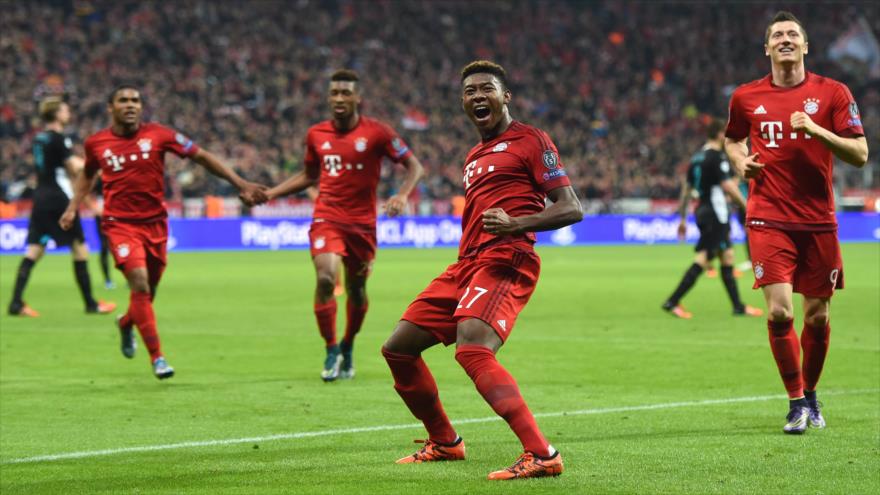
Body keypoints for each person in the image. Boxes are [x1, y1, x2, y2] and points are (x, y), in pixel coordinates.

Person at [381, 60, 583, 480]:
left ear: (504, 96)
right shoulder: (473, 156)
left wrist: (516, 223)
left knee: (472, 348)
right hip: (466, 265)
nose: (477, 96)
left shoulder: (531, 140)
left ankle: (542, 454)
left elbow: (570, 207)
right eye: (470, 91)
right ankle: (445, 443)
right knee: (398, 347)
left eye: (486, 88)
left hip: (506, 257)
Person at [60, 85, 267, 379]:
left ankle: (126, 323)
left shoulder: (160, 135)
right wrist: (72, 207)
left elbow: (202, 156)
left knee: (146, 294)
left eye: (135, 101)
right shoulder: (97, 143)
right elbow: (87, 175)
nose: (130, 105)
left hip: (155, 225)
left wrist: (240, 183)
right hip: (119, 224)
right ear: (111, 107)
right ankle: (158, 358)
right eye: (123, 101)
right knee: (140, 284)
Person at [724, 11, 868, 434]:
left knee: (818, 316)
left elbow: (860, 154)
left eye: (793, 35)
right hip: (768, 216)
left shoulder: (833, 93)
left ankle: (810, 394)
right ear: (767, 48)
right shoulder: (745, 97)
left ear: (805, 46)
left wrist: (817, 131)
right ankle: (794, 403)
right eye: (778, 35)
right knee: (780, 311)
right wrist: (739, 163)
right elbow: (732, 139)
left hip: (818, 220)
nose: (785, 39)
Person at [262, 69, 424, 382]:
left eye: (345, 93)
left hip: (362, 226)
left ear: (357, 98)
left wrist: (402, 195)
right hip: (327, 217)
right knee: (325, 278)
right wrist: (270, 193)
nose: (339, 98)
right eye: (334, 93)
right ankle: (331, 348)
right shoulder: (316, 135)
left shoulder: (377, 132)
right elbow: (309, 176)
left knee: (357, 291)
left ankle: (348, 344)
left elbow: (415, 167)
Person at [7, 96, 115, 317]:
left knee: (34, 250)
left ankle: (15, 303)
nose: (68, 113)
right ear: (56, 114)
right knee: (80, 248)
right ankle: (91, 304)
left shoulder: (39, 139)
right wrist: (101, 167)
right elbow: (75, 168)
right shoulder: (59, 139)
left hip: (40, 199)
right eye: (65, 110)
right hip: (57, 200)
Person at [662, 119, 763, 319]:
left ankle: (738, 306)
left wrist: (682, 219)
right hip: (716, 213)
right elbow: (728, 186)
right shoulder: (717, 157)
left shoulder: (697, 158)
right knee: (704, 257)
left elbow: (686, 190)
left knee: (727, 257)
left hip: (701, 211)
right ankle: (672, 301)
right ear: (718, 134)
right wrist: (748, 207)